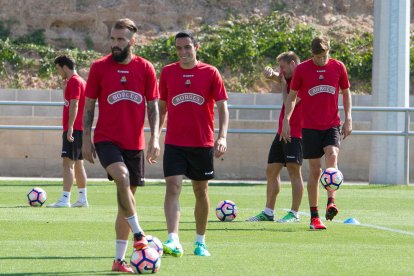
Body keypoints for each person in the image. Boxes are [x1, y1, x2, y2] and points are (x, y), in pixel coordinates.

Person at [82, 18, 160, 273]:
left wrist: (155, 138)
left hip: (134, 143)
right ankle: (139, 235)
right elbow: (90, 104)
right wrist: (86, 139)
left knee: (126, 202)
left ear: (132, 41)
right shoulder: (99, 67)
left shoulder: (146, 68)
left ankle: (118, 260)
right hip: (107, 139)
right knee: (122, 178)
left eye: (120, 40)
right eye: (113, 39)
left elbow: (153, 107)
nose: (115, 44)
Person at [158, 31, 229, 257]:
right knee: (173, 187)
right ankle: (173, 239)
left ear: (196, 47)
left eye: (187, 47)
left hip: (202, 143)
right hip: (175, 143)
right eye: (179, 48)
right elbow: (161, 108)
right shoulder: (168, 72)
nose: (183, 52)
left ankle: (200, 242)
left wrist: (222, 136)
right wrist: (154, 138)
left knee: (201, 190)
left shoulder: (210, 72)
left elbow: (222, 108)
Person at [281, 35, 352, 230]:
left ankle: (331, 201)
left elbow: (346, 92)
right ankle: (314, 217)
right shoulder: (303, 69)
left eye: (324, 56)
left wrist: (348, 118)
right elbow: (292, 96)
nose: (321, 60)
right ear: (312, 54)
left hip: (331, 125)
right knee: (315, 171)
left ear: (329, 50)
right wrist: (287, 120)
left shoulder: (338, 67)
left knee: (332, 155)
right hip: (310, 127)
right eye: (317, 56)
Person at [246, 51, 304, 223]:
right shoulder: (289, 77)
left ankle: (294, 213)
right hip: (282, 131)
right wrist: (272, 75)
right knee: (271, 170)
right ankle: (268, 212)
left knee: (294, 170)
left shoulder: (303, 79)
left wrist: (283, 84)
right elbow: (280, 78)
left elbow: (289, 101)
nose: (281, 70)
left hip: (296, 132)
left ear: (293, 63)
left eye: (283, 67)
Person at [47, 55, 88, 208]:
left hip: (74, 128)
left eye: (58, 69)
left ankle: (65, 199)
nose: (59, 73)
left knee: (68, 163)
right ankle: (83, 199)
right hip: (79, 128)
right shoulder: (78, 81)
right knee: (78, 164)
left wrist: (70, 127)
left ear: (64, 67)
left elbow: (74, 105)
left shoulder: (75, 81)